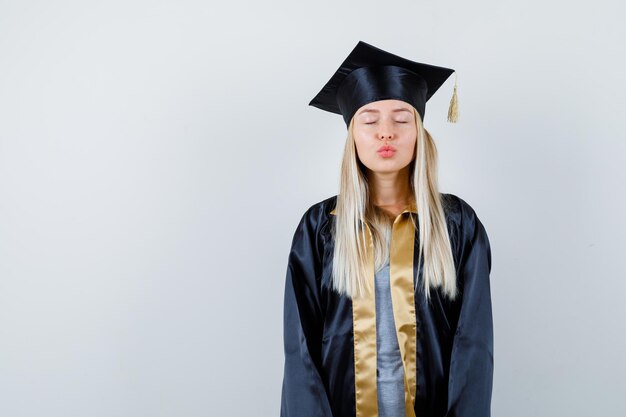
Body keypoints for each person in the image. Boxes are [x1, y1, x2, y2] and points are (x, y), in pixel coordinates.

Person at [280, 40, 493, 417]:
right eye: (370, 119)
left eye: (400, 118)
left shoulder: (456, 224)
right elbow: (301, 351)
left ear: (419, 132)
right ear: (352, 135)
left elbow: (473, 343)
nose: (386, 132)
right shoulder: (319, 228)